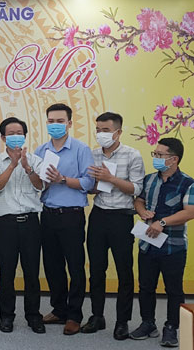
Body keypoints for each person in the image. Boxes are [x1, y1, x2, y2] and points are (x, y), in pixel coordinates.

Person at [82, 112, 144, 340]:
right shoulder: (92, 154)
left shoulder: (132, 155)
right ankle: (97, 316)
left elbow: (136, 189)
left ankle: (122, 321)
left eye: (106, 130)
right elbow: (88, 188)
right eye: (98, 129)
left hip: (121, 217)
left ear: (118, 131)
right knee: (96, 270)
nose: (101, 134)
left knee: (124, 271)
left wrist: (111, 179)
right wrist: (94, 186)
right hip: (98, 215)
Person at [34, 103, 94, 335]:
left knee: (75, 266)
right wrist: (33, 174)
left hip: (72, 216)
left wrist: (62, 179)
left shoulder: (81, 149)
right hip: (47, 214)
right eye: (51, 121)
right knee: (52, 265)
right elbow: (38, 185)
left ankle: (74, 315)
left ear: (69, 123)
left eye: (60, 121)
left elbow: (88, 184)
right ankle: (59, 309)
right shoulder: (41, 150)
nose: (55, 125)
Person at [131, 138, 194, 348]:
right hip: (147, 244)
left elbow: (190, 212)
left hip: (173, 246)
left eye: (160, 155)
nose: (156, 158)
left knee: (173, 289)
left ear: (174, 159)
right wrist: (142, 211)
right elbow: (138, 199)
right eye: (155, 154)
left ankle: (171, 327)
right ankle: (148, 323)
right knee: (145, 286)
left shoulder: (188, 182)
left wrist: (162, 222)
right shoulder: (149, 179)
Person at [0, 117, 45, 334]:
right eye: (10, 133)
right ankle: (6, 317)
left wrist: (27, 167)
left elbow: (40, 186)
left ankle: (33, 316)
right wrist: (13, 164)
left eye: (19, 132)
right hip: (6, 225)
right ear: (3, 138)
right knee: (6, 273)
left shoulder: (36, 160)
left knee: (31, 273)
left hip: (31, 223)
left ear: (25, 135)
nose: (15, 136)